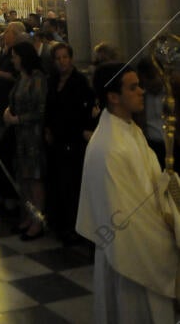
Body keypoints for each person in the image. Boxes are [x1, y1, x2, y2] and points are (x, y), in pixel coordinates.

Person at [76, 63, 180, 324]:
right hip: (131, 261)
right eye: (133, 87)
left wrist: (169, 183)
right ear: (113, 96)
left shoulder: (129, 130)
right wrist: (169, 246)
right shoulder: (108, 148)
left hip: (144, 251)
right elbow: (125, 220)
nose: (141, 92)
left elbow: (150, 185)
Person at [45, 42, 95, 244]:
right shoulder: (53, 80)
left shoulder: (79, 81)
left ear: (71, 59)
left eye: (65, 57)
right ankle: (58, 222)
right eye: (58, 58)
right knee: (56, 181)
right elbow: (49, 106)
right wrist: (48, 128)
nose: (62, 61)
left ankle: (74, 226)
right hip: (55, 138)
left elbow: (80, 112)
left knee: (71, 184)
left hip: (72, 139)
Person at [3, 40, 47, 240]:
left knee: (35, 181)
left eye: (14, 56)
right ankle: (29, 217)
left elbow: (40, 109)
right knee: (25, 180)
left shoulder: (37, 78)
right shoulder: (21, 77)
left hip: (33, 136)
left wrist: (17, 118)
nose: (12, 60)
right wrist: (8, 112)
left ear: (23, 57)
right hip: (20, 136)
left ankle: (38, 221)